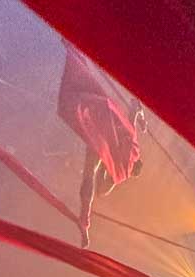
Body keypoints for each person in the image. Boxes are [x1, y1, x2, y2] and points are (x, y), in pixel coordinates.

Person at [57, 45, 145, 247]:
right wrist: (85, 224)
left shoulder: (132, 145)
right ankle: (74, 52)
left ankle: (74, 51)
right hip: (93, 117)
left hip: (102, 107)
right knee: (91, 179)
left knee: (80, 77)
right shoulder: (117, 165)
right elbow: (95, 188)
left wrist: (141, 117)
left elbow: (133, 112)